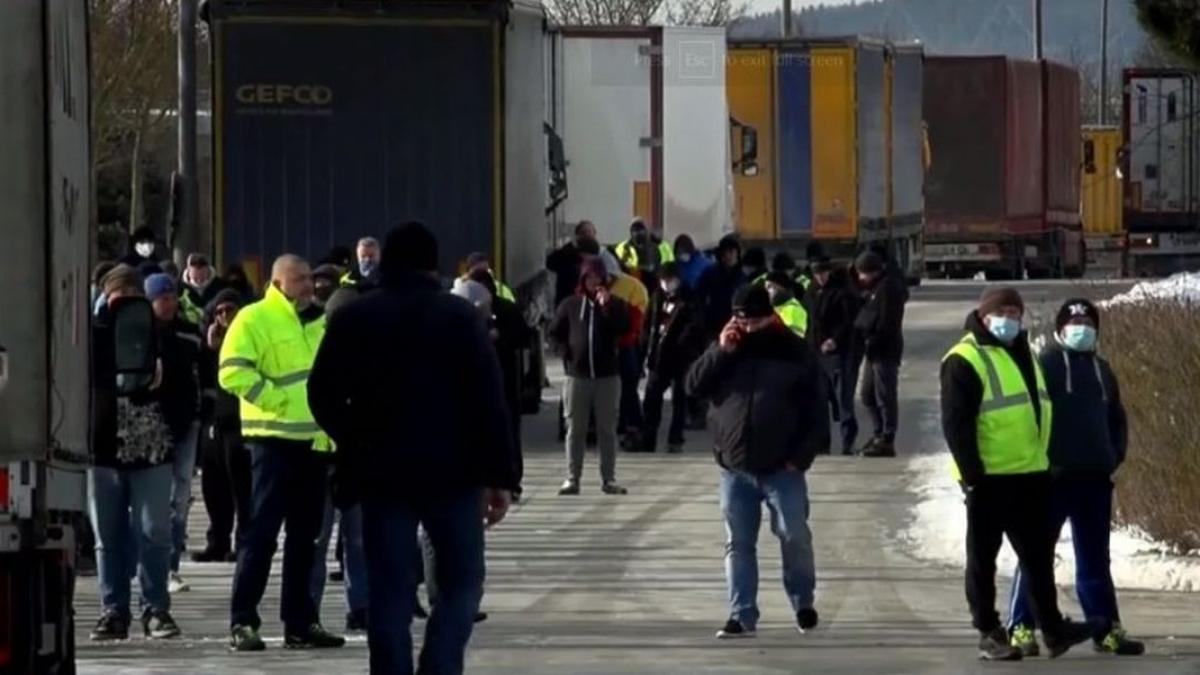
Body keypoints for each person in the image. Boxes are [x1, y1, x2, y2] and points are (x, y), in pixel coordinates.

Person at [307, 222, 517, 675]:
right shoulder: (460, 318)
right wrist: (500, 477)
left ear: (385, 261)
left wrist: (355, 437)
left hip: (381, 474)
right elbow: (490, 402)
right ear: (433, 264)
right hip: (454, 473)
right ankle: (440, 664)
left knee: (389, 587)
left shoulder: (354, 318)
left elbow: (321, 394)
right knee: (462, 582)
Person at [941, 287, 1094, 661]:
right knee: (983, 559)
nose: (1009, 318)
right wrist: (972, 475)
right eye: (1003, 311)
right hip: (989, 477)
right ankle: (988, 630)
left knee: (1038, 558)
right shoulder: (964, 358)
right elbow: (956, 425)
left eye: (1015, 311)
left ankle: (1052, 629)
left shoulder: (1023, 352)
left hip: (1030, 473)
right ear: (985, 314)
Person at [687, 285, 828, 640]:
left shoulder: (795, 352)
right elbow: (693, 386)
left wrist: (801, 457)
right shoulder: (728, 348)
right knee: (738, 543)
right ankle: (741, 614)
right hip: (735, 468)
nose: (747, 328)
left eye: (754, 321)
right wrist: (721, 351)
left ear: (770, 317)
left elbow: (816, 411)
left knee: (794, 535)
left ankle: (803, 603)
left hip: (783, 468)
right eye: (741, 320)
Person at [1006, 299, 1144, 657]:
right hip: (1051, 479)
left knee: (1095, 559)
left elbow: (1116, 417)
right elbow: (1027, 417)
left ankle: (1105, 628)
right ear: (1061, 327)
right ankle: (1021, 626)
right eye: (1075, 321)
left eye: (1088, 321)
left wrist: (1113, 455)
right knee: (1035, 557)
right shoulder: (1046, 366)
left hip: (1095, 479)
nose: (1081, 327)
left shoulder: (1103, 369)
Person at [220, 254, 344, 652]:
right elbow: (232, 371)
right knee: (262, 536)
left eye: (310, 278)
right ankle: (243, 622)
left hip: (313, 445)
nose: (310, 285)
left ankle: (300, 623)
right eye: (301, 279)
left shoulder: (322, 322)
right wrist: (276, 402)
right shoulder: (253, 319)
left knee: (305, 539)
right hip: (270, 443)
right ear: (278, 283)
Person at [88, 266, 183, 641]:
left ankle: (155, 608)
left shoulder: (161, 335)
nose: (125, 300)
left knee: (154, 533)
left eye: (132, 293)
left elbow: (182, 387)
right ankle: (113, 610)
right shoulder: (91, 338)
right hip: (103, 450)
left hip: (152, 450)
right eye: (118, 293)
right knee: (107, 537)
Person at [549, 258, 631, 496]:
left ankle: (609, 478)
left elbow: (624, 328)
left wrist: (608, 307)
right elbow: (554, 332)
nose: (594, 282)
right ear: (583, 280)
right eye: (590, 277)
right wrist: (565, 353)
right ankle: (572, 478)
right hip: (578, 376)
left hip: (607, 376)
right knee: (575, 428)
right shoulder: (571, 305)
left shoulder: (615, 303)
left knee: (607, 429)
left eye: (598, 277)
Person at [144, 274, 203, 594]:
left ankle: (171, 566)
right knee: (156, 502)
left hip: (185, 423)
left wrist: (201, 412)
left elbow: (203, 373)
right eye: (161, 298)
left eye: (171, 298)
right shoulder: (143, 333)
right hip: (151, 424)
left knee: (179, 500)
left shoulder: (189, 333)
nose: (167, 303)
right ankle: (151, 565)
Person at [192, 289, 252, 563]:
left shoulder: (248, 337)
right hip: (213, 421)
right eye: (220, 312)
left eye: (230, 310)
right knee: (213, 487)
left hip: (239, 421)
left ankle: (244, 541)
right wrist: (210, 349)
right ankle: (218, 540)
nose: (225, 316)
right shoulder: (208, 342)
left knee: (241, 486)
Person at [467, 268, 536, 495]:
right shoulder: (464, 311)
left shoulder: (507, 309)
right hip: (474, 386)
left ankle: (512, 481)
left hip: (505, 380)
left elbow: (525, 338)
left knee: (509, 433)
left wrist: (501, 337)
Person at [636, 262, 706, 453]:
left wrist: (682, 345)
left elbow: (695, 326)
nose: (666, 284)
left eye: (670, 280)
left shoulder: (689, 297)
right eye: (663, 280)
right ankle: (648, 436)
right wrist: (644, 351)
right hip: (659, 356)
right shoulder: (657, 297)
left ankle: (675, 439)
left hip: (682, 357)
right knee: (652, 397)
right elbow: (647, 325)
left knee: (680, 399)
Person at [804, 258, 862, 455]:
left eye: (823, 273)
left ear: (829, 272)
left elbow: (848, 321)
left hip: (841, 352)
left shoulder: (842, 292)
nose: (820, 277)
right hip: (816, 351)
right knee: (820, 400)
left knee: (843, 398)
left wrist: (835, 340)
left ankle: (848, 443)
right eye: (816, 274)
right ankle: (822, 444)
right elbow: (810, 322)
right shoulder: (811, 292)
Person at [852, 251, 907, 457]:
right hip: (873, 350)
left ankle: (887, 438)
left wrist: (873, 339)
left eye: (862, 274)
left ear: (871, 271)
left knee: (885, 395)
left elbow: (888, 322)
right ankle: (878, 433)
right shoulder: (875, 288)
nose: (860, 278)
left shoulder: (888, 288)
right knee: (867, 395)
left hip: (885, 349)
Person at [599, 250, 650, 448]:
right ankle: (615, 424)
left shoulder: (632, 287)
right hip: (603, 348)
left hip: (626, 346)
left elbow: (637, 321)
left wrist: (623, 341)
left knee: (628, 387)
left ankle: (634, 425)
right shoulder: (592, 286)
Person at [697, 235, 744, 339]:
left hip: (737, 323)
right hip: (713, 324)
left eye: (731, 252)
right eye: (725, 253)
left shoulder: (743, 275)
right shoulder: (710, 273)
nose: (728, 256)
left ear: (737, 253)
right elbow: (700, 296)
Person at [546, 221, 600, 309]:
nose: (586, 235)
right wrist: (570, 247)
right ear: (577, 236)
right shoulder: (567, 253)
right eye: (583, 232)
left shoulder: (601, 256)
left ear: (594, 234)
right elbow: (550, 263)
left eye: (589, 232)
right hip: (567, 301)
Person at [615, 218, 672, 282]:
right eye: (635, 230)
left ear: (647, 230)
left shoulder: (661, 246)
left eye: (641, 230)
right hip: (633, 281)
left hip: (656, 281)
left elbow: (669, 266)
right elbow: (619, 267)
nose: (638, 233)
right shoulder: (624, 247)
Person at [763, 271, 808, 338]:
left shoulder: (792, 310)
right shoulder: (777, 307)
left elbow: (793, 342)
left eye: (770, 287)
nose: (766, 292)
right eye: (765, 288)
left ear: (782, 287)